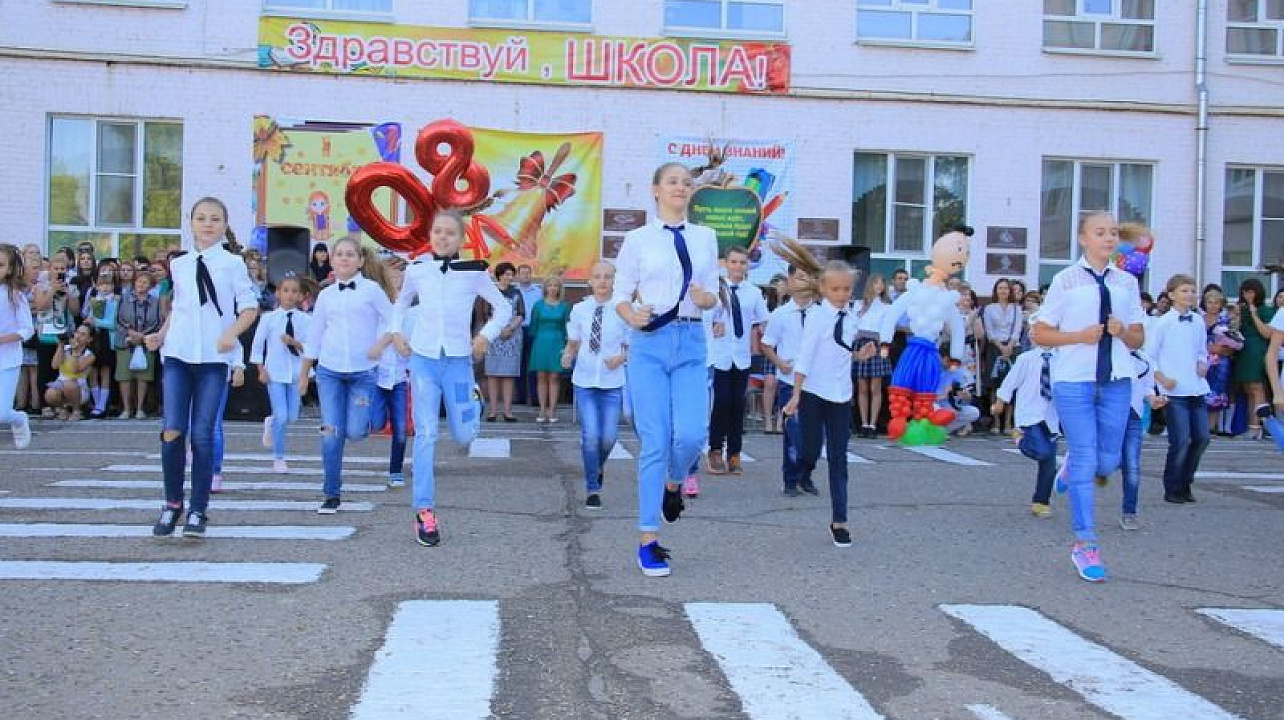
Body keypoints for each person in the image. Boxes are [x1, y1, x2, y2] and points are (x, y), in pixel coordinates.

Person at [613, 162, 720, 577]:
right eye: (672, 181)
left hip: (692, 340)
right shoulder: (638, 239)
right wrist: (630, 315)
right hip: (650, 343)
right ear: (655, 190)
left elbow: (712, 293)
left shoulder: (706, 237)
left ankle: (675, 483)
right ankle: (648, 540)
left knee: (692, 434)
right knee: (655, 439)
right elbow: (621, 294)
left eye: (686, 183)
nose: (681, 187)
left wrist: (706, 299)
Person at [1030, 212, 1145, 582]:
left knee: (1107, 461)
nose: (1108, 238)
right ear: (1083, 238)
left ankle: (1069, 467)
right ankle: (1085, 544)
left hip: (1117, 379)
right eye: (1100, 232)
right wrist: (1078, 336)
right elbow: (1041, 334)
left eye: (1113, 233)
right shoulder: (1066, 280)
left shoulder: (1127, 281)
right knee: (1084, 456)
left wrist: (1123, 331)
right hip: (1074, 379)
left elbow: (1140, 338)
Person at [388, 210, 510, 546]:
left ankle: (474, 399)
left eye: (450, 234)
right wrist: (396, 332)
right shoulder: (417, 270)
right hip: (424, 359)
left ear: (461, 239)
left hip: (458, 361)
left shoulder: (475, 272)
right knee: (426, 433)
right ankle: (424, 511)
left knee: (463, 434)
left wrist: (486, 335)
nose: (443, 238)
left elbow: (504, 308)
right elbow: (400, 305)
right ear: (430, 235)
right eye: (437, 232)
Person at [144, 198, 258, 538]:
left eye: (215, 219)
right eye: (201, 218)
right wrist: (160, 336)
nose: (207, 224)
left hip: (212, 358)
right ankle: (172, 504)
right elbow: (179, 308)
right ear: (191, 223)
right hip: (178, 354)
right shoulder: (179, 264)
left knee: (204, 433)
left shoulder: (233, 264)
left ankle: (198, 509)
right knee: (172, 430)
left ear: (224, 225)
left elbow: (249, 308)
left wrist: (230, 337)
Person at [782, 260, 876, 548]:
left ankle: (839, 521)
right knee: (810, 450)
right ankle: (804, 469)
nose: (842, 294)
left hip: (840, 396)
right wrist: (796, 395)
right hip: (813, 393)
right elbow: (805, 357)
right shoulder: (817, 318)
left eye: (847, 288)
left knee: (839, 459)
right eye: (835, 289)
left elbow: (843, 352)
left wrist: (860, 356)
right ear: (823, 289)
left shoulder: (851, 318)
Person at [299, 237, 393, 516]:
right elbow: (314, 335)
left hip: (363, 373)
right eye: (338, 254)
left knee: (355, 430)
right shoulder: (326, 295)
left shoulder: (372, 290)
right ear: (331, 259)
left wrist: (381, 342)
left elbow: (392, 320)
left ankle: (376, 411)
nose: (344, 258)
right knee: (331, 433)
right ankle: (331, 493)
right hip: (329, 372)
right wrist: (304, 373)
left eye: (350, 254)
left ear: (360, 261)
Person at [562, 261, 629, 509]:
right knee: (591, 436)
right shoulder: (580, 309)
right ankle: (593, 487)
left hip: (612, 382)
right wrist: (568, 354)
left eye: (608, 277)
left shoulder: (623, 310)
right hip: (585, 380)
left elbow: (634, 345)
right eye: (598, 277)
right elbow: (574, 341)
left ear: (615, 281)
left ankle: (598, 465)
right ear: (589, 281)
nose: (603, 281)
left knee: (609, 438)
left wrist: (621, 358)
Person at [1149, 274, 1212, 504]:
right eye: (1185, 291)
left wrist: (1203, 362)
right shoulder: (1163, 323)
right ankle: (1173, 486)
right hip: (1174, 392)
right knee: (1181, 439)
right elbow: (1149, 356)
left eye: (1193, 291)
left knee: (1202, 437)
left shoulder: (1197, 321)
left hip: (1195, 387)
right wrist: (1162, 378)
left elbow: (1201, 350)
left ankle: (1186, 482)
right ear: (1172, 295)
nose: (1190, 295)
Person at [705, 246, 768, 475]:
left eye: (742, 262)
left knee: (737, 404)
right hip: (720, 355)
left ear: (747, 265)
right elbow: (704, 320)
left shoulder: (753, 292)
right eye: (734, 262)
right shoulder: (716, 291)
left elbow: (762, 321)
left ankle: (734, 453)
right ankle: (714, 449)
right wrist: (713, 326)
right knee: (721, 402)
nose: (738, 267)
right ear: (726, 264)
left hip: (741, 357)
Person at [761, 264, 817, 497]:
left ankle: (806, 475)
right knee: (793, 433)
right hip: (789, 380)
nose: (804, 283)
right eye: (800, 277)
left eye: (809, 278)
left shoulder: (821, 312)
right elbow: (766, 344)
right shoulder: (780, 314)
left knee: (814, 435)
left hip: (816, 382)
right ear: (791, 281)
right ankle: (791, 479)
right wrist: (779, 363)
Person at [992, 342, 1060, 518]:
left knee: (1049, 464)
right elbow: (1010, 382)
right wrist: (1000, 402)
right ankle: (1019, 439)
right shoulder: (1026, 359)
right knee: (1042, 452)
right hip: (1029, 415)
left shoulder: (1063, 359)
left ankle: (1040, 502)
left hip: (1051, 417)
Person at [252, 275, 311, 474]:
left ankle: (272, 422)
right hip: (274, 372)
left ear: (301, 296)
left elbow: (311, 348)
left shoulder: (305, 320)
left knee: (292, 416)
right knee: (282, 414)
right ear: (278, 293)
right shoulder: (268, 318)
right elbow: (258, 345)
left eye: (295, 291)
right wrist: (260, 369)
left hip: (295, 372)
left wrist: (294, 343)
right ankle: (279, 457)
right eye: (286, 290)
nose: (290, 295)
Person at [365, 258, 409, 487]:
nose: (396, 281)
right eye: (391, 277)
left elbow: (408, 342)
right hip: (377, 374)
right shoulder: (376, 307)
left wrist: (405, 345)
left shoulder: (409, 311)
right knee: (375, 422)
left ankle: (395, 471)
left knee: (400, 429)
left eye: (400, 277)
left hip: (399, 378)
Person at [1231, 279, 1277, 440]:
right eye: (1245, 292)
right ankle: (1251, 425)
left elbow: (1266, 333)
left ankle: (1256, 427)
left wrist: (1253, 313)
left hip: (1257, 349)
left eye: (1251, 291)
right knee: (1248, 388)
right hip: (1244, 350)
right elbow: (1234, 331)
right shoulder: (1240, 309)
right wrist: (1236, 316)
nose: (1248, 295)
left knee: (1257, 386)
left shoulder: (1266, 310)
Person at [114, 271, 162, 419]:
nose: (141, 285)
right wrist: (131, 333)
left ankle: (140, 408)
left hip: (147, 341)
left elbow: (158, 321)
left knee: (143, 376)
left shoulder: (155, 301)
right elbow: (118, 319)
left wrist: (143, 336)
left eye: (145, 282)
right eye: (139, 281)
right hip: (125, 341)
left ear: (151, 286)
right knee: (125, 376)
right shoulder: (124, 299)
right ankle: (127, 409)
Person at [483, 262, 525, 422]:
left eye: (511, 274)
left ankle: (507, 411)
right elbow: (487, 314)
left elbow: (521, 313)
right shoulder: (491, 292)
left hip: (512, 336)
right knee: (493, 373)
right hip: (494, 335)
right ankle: (493, 411)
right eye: (506, 274)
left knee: (509, 374)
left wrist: (510, 328)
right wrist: (498, 329)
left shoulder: (516, 293)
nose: (509, 277)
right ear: (499, 275)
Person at [0, 244, 33, 447]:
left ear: (10, 269)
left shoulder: (14, 295)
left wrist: (4, 338)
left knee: (2, 412)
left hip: (7, 359)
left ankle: (19, 419)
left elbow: (27, 329)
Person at [853, 273, 892, 438]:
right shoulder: (858, 305)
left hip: (877, 346)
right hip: (860, 345)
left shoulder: (887, 307)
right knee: (862, 387)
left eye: (881, 283)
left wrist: (869, 335)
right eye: (876, 283)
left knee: (875, 387)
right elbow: (854, 328)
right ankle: (863, 423)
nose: (879, 286)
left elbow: (885, 331)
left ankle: (873, 424)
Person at [982, 278, 1021, 435]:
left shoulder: (1016, 309)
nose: (1003, 291)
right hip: (995, 347)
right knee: (995, 385)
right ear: (995, 291)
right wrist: (1001, 347)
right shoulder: (989, 309)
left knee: (1011, 384)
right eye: (1000, 288)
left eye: (1006, 288)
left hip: (1012, 347)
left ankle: (1007, 423)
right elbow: (989, 331)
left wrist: (1010, 346)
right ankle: (996, 421)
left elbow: (1017, 330)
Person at [529, 276, 570, 423]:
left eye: (556, 286)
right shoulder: (538, 305)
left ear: (560, 289)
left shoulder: (565, 306)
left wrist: (566, 347)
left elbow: (568, 328)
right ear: (545, 288)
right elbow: (533, 328)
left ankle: (552, 410)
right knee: (541, 376)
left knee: (554, 377)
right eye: (550, 285)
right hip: (541, 342)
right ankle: (541, 410)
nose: (553, 288)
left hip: (557, 342)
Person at [82, 274, 119, 418]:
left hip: (106, 339)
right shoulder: (94, 300)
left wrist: (95, 322)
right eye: (101, 285)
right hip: (93, 338)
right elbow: (87, 315)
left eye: (108, 284)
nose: (105, 287)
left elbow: (113, 324)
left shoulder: (114, 302)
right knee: (92, 371)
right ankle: (96, 403)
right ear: (96, 286)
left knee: (105, 371)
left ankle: (102, 405)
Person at [515, 264, 542, 406]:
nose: (525, 276)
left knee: (533, 364)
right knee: (518, 364)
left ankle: (535, 397)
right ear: (517, 275)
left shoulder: (538, 292)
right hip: (517, 330)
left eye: (527, 273)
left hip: (533, 329)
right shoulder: (513, 292)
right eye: (522, 273)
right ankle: (520, 397)